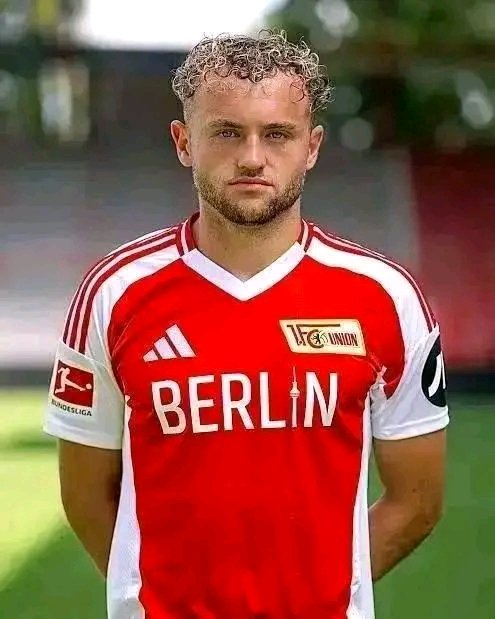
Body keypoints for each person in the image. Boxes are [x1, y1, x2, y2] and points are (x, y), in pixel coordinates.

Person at [44, 29, 449, 619]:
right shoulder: (113, 294)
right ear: (184, 142)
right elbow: (85, 495)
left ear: (311, 147)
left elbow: (417, 500)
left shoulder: (387, 297)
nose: (253, 157)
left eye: (277, 134)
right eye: (227, 132)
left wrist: (322, 593)